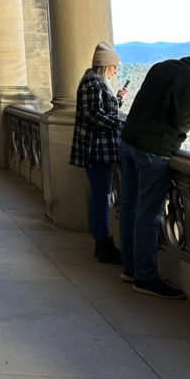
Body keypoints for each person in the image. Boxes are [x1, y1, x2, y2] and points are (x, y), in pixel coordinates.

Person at [119, 56, 190, 298]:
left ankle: (129, 267)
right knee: (148, 214)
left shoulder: (162, 66)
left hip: (129, 141)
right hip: (154, 148)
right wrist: (177, 136)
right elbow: (182, 120)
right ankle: (144, 276)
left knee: (129, 208)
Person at [69, 41, 126, 264]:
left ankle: (102, 242)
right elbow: (93, 114)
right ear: (105, 65)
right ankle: (103, 243)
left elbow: (98, 111)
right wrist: (122, 124)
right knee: (101, 197)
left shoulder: (95, 82)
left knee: (100, 196)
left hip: (99, 149)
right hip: (98, 150)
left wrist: (117, 100)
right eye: (114, 67)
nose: (115, 71)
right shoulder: (93, 83)